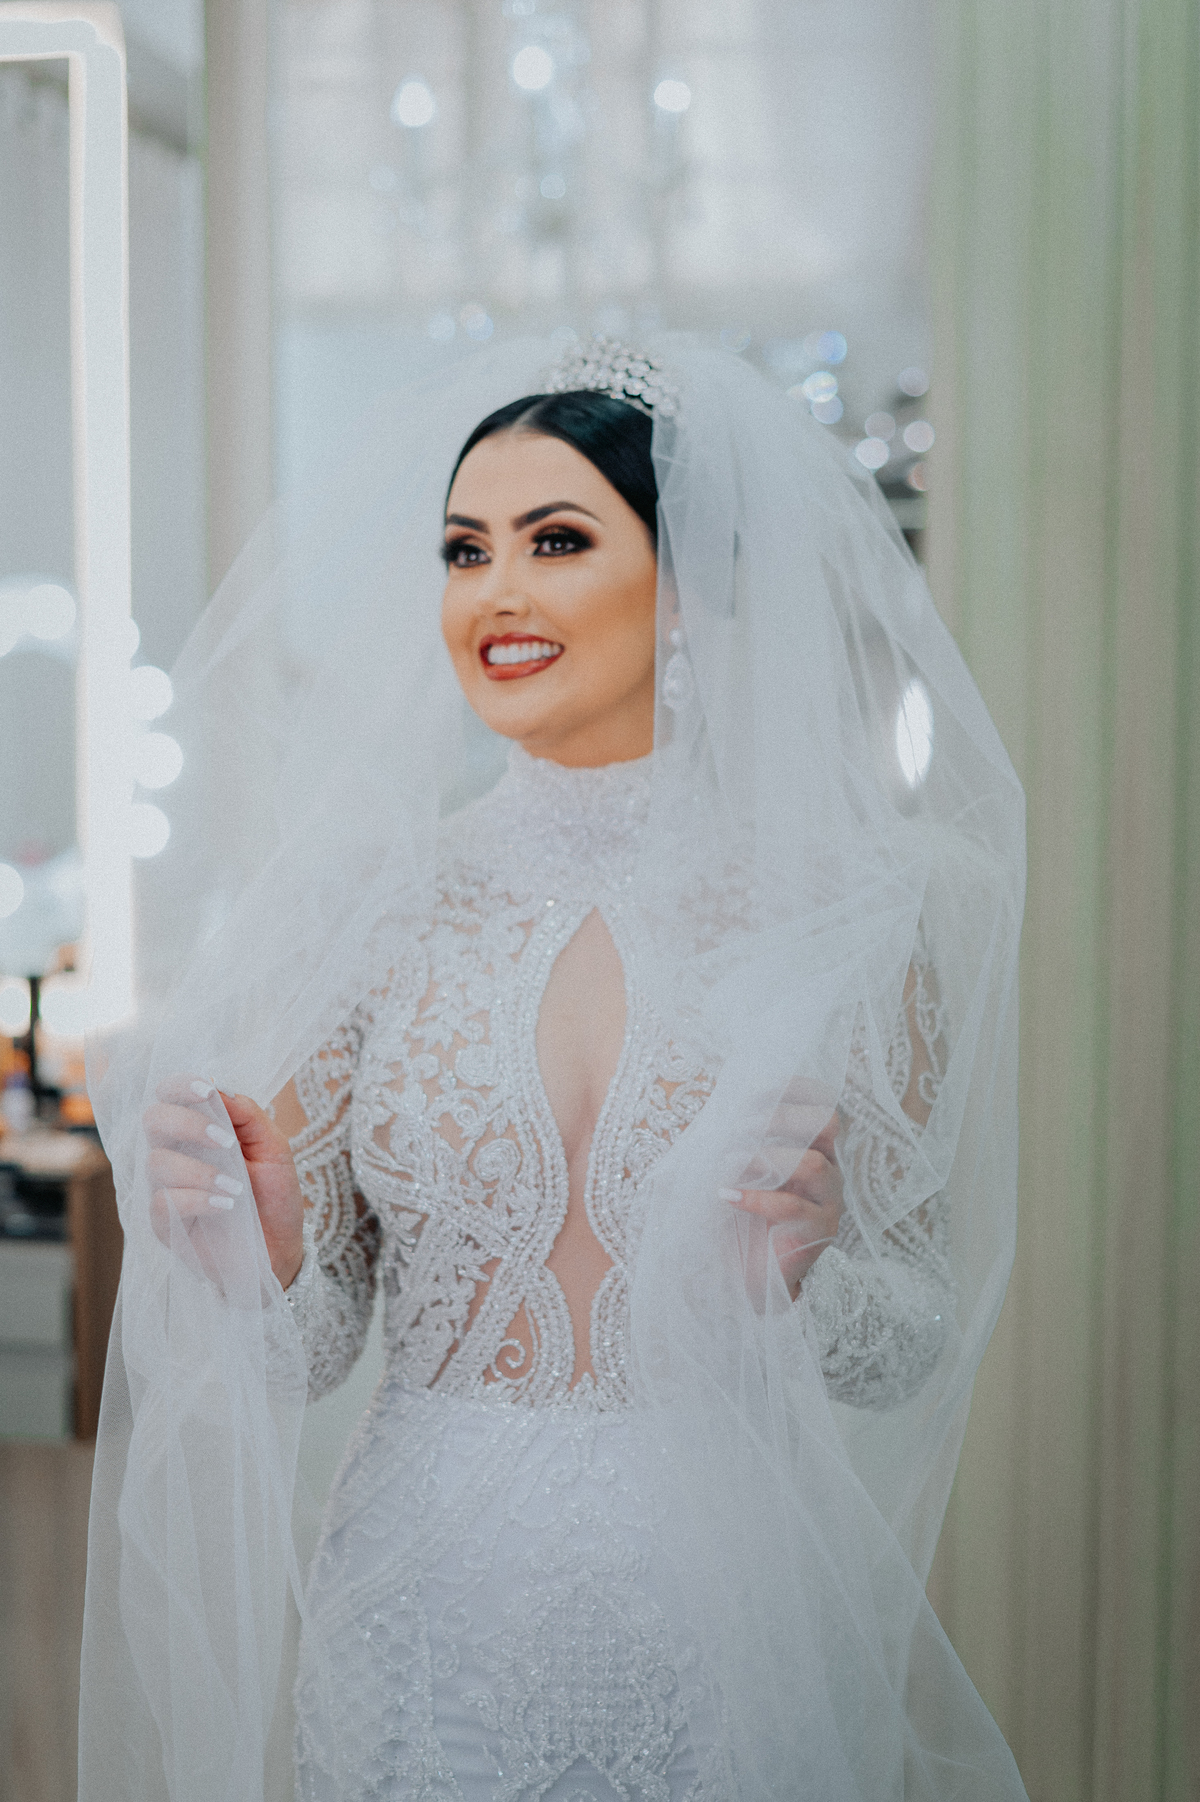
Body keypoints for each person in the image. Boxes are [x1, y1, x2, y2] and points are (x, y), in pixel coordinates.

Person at [80, 338, 1028, 1801]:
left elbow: (908, 1337)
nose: (498, 593)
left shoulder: (845, 910)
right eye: (466, 551)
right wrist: (256, 1257)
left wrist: (805, 1276)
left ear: (688, 583)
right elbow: (313, 1345)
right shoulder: (372, 907)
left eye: (559, 540)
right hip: (420, 1629)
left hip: (737, 1633)